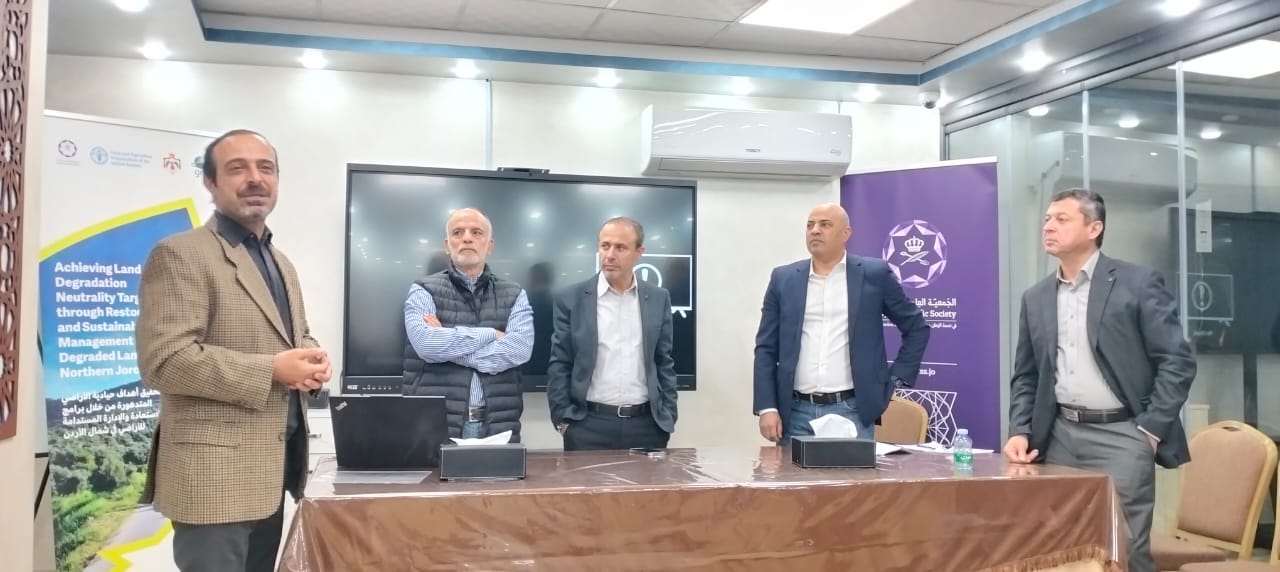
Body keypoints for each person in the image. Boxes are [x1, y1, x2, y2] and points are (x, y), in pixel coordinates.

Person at [137, 129, 332, 572]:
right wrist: (273, 370)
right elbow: (164, 360)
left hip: (271, 473)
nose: (255, 179)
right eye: (237, 168)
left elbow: (296, 336)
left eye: (266, 168)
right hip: (213, 479)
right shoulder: (180, 254)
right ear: (210, 182)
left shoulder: (281, 262)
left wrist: (312, 360)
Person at [1004, 188, 1195, 572]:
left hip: (1122, 434)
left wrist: (1150, 430)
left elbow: (1177, 360)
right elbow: (1027, 374)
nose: (1048, 227)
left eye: (1062, 219)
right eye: (1047, 219)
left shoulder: (1137, 283)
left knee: (1123, 548)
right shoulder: (1036, 297)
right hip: (1059, 436)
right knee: (1061, 548)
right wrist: (1020, 429)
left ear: (1094, 229)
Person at [753, 203, 930, 443]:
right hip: (794, 413)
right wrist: (767, 407)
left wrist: (895, 378)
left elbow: (916, 328)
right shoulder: (783, 279)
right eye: (810, 225)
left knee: (850, 470)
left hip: (852, 411)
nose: (815, 230)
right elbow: (766, 347)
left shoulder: (874, 274)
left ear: (846, 233)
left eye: (825, 224)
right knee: (791, 470)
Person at [402, 208, 533, 441]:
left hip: (498, 424)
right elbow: (426, 345)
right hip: (436, 424)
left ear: (489, 245)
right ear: (447, 245)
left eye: (476, 232)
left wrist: (447, 346)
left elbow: (519, 349)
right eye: (458, 232)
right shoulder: (423, 290)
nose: (467, 238)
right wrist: (490, 334)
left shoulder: (515, 294)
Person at [547, 217, 677, 450]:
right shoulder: (571, 298)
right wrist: (563, 421)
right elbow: (560, 363)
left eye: (620, 247)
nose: (609, 255)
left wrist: (668, 416)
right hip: (588, 426)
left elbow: (663, 360)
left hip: (647, 426)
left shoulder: (658, 298)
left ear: (639, 252)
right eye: (605, 246)